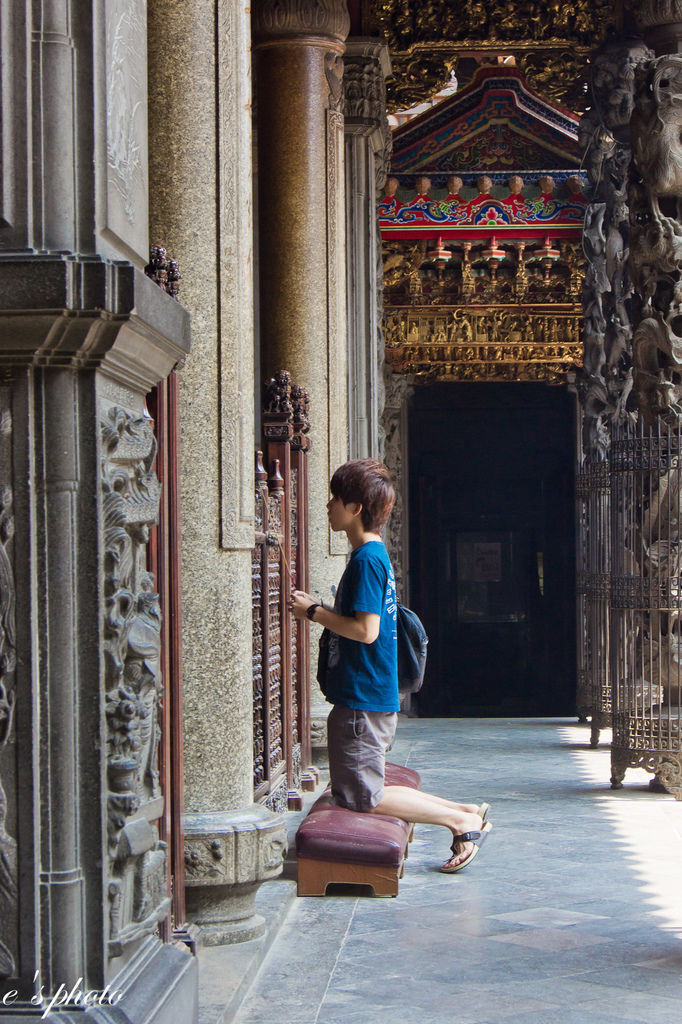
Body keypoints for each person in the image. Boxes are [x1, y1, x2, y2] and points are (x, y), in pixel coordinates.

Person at [290, 458, 492, 873]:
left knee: (364, 796)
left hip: (363, 694)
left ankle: (461, 821)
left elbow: (366, 630)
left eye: (335, 498)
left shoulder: (366, 559)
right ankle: (465, 809)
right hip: (371, 690)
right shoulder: (375, 555)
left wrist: (313, 612)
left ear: (356, 508)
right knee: (363, 789)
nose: (328, 506)